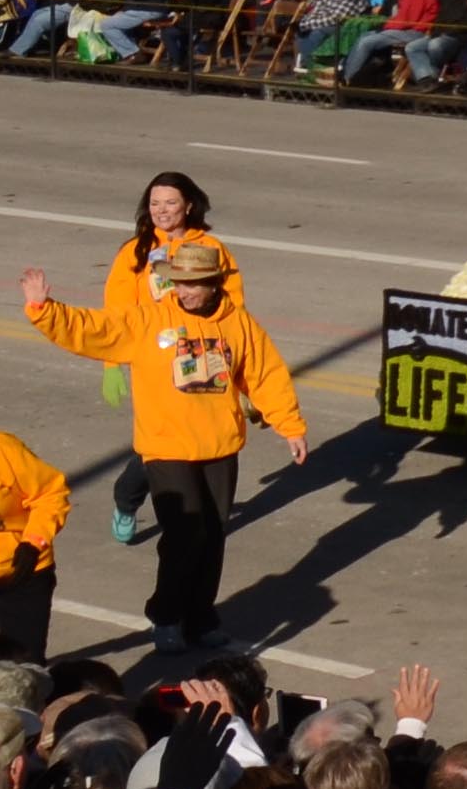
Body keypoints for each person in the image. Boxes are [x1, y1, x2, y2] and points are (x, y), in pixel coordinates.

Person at [23, 236, 303, 648]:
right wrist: (46, 312)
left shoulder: (238, 322)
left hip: (219, 446)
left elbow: (265, 375)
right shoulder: (149, 320)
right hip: (166, 448)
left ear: (215, 283)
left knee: (212, 536)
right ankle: (167, 616)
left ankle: (201, 618)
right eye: (179, 283)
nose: (185, 291)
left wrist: (290, 426)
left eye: (194, 284)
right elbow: (96, 330)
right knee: (184, 535)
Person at [99, 171, 243, 545]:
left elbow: (235, 308)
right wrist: (112, 364)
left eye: (171, 203)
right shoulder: (136, 252)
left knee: (195, 439)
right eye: (154, 203)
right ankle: (127, 499)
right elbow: (117, 313)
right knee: (160, 444)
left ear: (189, 205)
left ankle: (199, 520)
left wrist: (241, 369)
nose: (162, 210)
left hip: (204, 356)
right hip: (154, 359)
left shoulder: (211, 248)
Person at [0, 397, 69, 663]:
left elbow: (50, 494)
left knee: (26, 668)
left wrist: (33, 543)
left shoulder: (0, 448)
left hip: (22, 569)